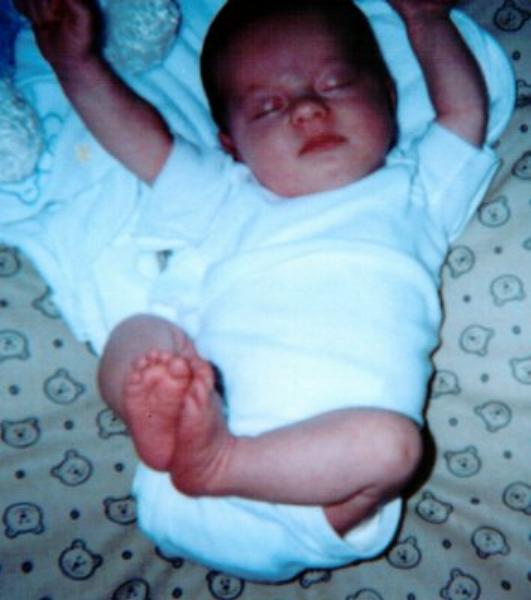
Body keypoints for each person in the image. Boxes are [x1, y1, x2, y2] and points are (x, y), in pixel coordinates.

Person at [17, 0, 498, 581]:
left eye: (336, 83)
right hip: (191, 444)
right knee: (139, 332)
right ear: (231, 143)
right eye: (268, 107)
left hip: (323, 498)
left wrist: (426, 20)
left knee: (393, 447)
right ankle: (165, 423)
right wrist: (76, 64)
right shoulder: (228, 196)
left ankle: (222, 461)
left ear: (389, 98)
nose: (308, 109)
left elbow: (464, 110)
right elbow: (141, 142)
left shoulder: (416, 192)